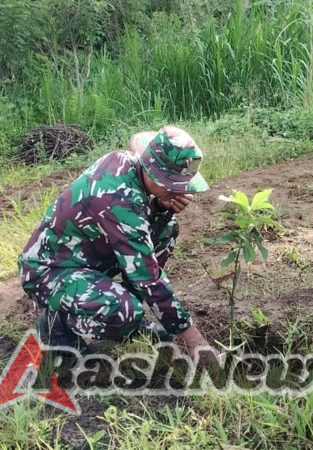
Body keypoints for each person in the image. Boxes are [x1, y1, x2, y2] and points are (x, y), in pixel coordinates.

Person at [17, 126, 214, 360]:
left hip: (85, 258)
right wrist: (192, 337)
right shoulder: (116, 196)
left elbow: (136, 226)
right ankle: (58, 324)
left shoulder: (128, 165)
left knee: (166, 229)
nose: (181, 191)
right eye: (175, 185)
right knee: (125, 311)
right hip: (48, 271)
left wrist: (161, 208)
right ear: (153, 174)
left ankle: (126, 322)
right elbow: (147, 276)